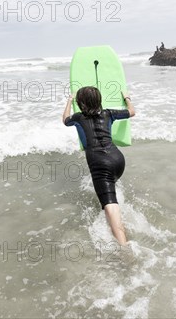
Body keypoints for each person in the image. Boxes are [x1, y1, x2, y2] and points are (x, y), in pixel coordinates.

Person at [62, 86, 135, 245]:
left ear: (81, 103)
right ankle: (115, 224)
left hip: (100, 163)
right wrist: (127, 98)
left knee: (110, 204)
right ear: (99, 100)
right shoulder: (109, 113)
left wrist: (68, 101)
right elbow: (132, 112)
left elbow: (65, 120)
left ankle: (124, 246)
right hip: (118, 159)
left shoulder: (78, 118)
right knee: (109, 194)